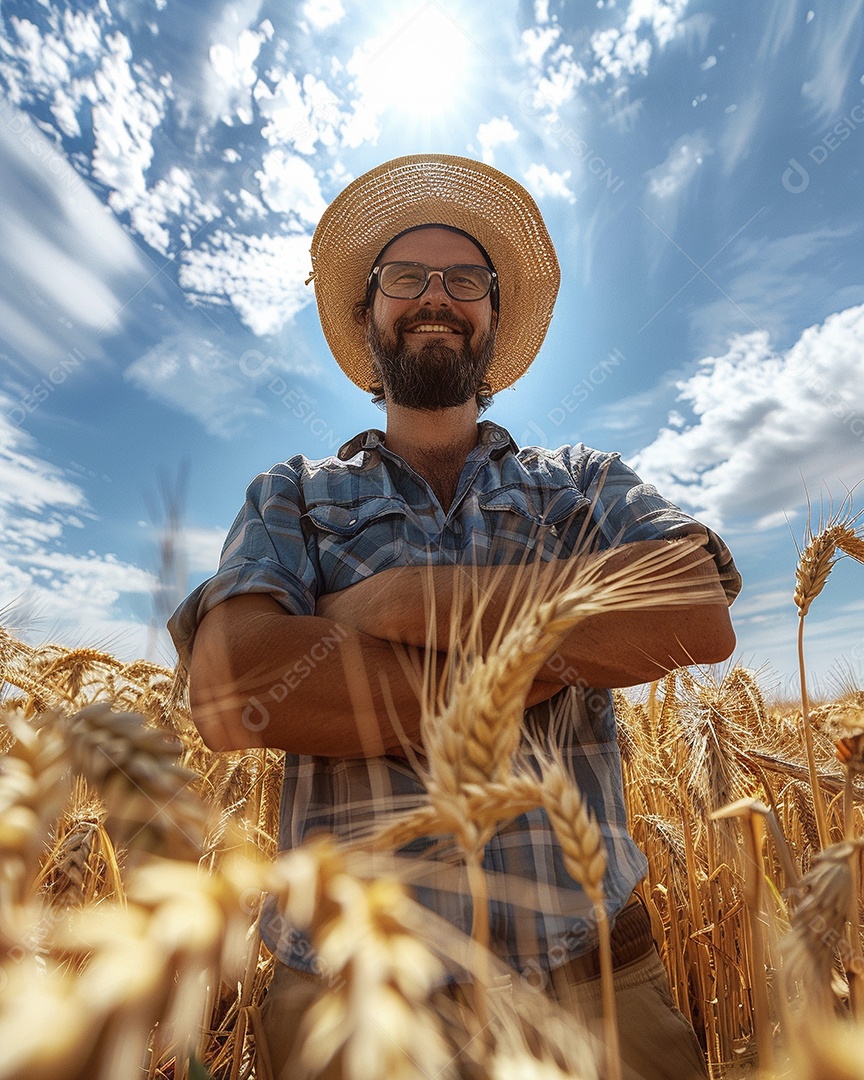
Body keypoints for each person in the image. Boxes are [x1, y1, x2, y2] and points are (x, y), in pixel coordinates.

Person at [168, 154, 740, 1079]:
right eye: (406, 276)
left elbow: (690, 610)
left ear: (493, 313)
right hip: (347, 1002)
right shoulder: (295, 496)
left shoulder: (581, 480)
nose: (436, 295)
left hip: (594, 985)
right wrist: (541, 657)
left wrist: (389, 604)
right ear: (369, 313)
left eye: (465, 278)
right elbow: (234, 692)